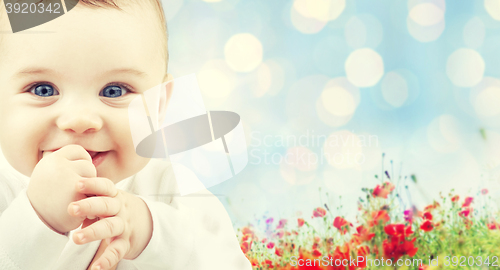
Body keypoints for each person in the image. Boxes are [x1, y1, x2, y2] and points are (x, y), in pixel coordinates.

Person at [0, 1, 252, 269]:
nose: (80, 120)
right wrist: (36, 218)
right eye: (43, 90)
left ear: (158, 106)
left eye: (114, 91)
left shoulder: (170, 189)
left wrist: (150, 233)